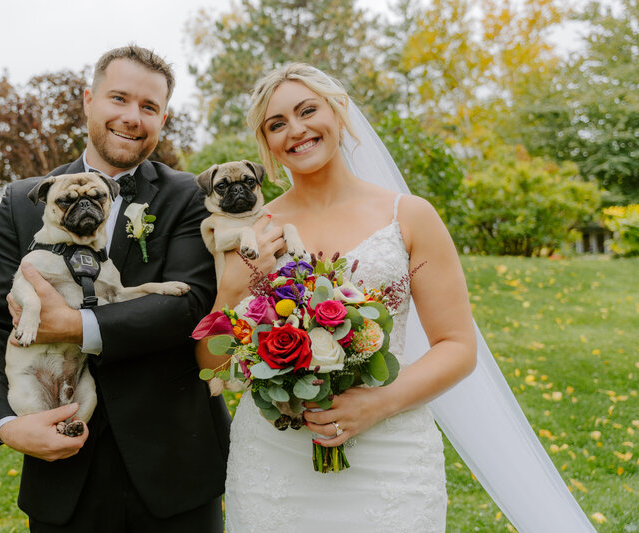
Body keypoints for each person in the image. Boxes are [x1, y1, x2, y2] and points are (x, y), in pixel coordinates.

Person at [198, 63, 596, 532]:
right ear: (265, 143)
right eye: (277, 124)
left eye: (308, 110)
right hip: (275, 460)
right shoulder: (250, 233)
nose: (297, 130)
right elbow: (214, 366)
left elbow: (457, 347)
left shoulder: (409, 216)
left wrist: (376, 404)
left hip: (390, 458)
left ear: (339, 110)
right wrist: (231, 290)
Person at [0, 45, 231, 532]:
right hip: (63, 477)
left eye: (149, 107)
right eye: (119, 98)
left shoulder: (189, 194)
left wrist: (76, 325)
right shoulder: (23, 200)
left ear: (163, 117)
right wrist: (6, 422)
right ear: (88, 100)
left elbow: (192, 305)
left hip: (175, 465)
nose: (132, 117)